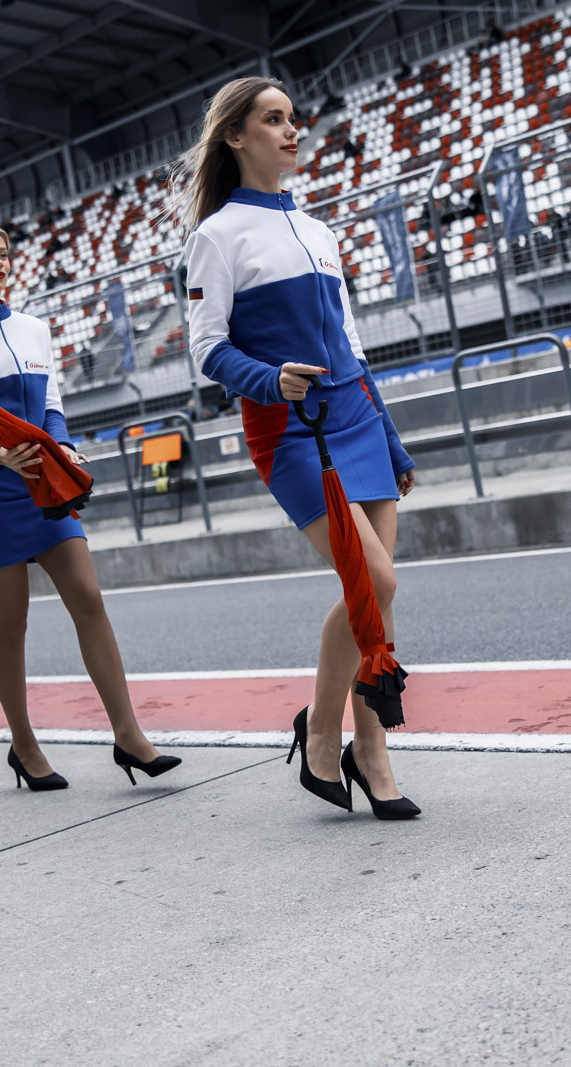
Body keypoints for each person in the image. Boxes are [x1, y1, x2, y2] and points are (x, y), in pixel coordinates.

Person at [182, 76, 419, 820]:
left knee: (377, 597)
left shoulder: (318, 230)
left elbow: (351, 343)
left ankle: (371, 753)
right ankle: (321, 727)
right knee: (373, 581)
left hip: (356, 417)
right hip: (290, 430)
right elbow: (206, 350)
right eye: (273, 119)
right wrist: (269, 379)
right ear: (235, 136)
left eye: (293, 118)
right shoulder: (216, 235)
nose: (292, 131)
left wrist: (390, 437)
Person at [0, 222, 180, 792]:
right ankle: (25, 746)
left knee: (88, 599)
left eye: (3, 254)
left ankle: (129, 735)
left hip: (47, 490)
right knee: (12, 623)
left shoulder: (34, 329)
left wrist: (60, 445)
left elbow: (51, 407)